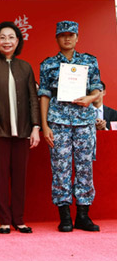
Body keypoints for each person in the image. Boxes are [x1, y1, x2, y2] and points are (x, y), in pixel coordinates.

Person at [38, 21, 102, 232]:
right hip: (58, 122)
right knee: (60, 168)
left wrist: (90, 98)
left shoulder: (89, 61)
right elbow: (44, 96)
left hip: (84, 121)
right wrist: (45, 125)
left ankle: (83, 215)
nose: (67, 38)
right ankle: (64, 216)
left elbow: (97, 89)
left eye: (71, 35)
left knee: (85, 167)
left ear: (77, 37)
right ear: (57, 39)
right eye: (62, 35)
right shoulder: (47, 64)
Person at [0, 21, 40, 234]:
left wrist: (35, 127)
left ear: (18, 41)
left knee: (20, 177)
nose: (7, 41)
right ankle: (5, 220)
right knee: (1, 177)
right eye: (2, 37)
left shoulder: (26, 67)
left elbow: (33, 98)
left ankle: (19, 220)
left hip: (23, 131)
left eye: (11, 37)